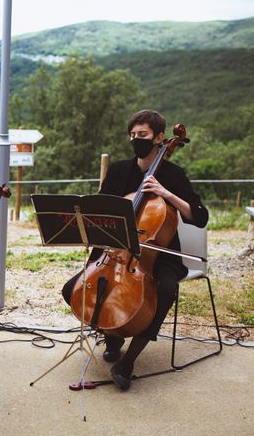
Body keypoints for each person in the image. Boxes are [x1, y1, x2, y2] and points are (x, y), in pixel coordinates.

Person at [61, 109, 208, 391]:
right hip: (114, 251)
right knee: (73, 290)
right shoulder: (118, 170)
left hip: (157, 254)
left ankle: (128, 362)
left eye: (142, 135)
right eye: (132, 135)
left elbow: (199, 216)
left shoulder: (174, 175)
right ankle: (113, 334)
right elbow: (98, 211)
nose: (136, 140)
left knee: (165, 289)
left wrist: (166, 194)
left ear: (160, 138)